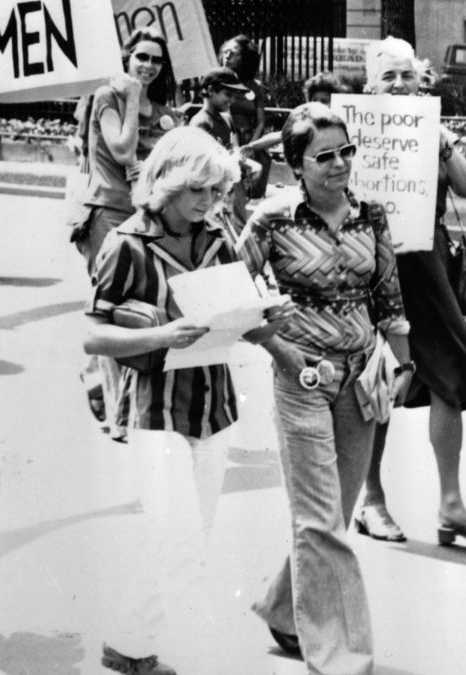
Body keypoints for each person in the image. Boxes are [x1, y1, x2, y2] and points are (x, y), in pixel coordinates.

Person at [84, 126, 286, 674]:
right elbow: (92, 334)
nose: (210, 202)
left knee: (186, 536)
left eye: (218, 192)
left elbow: (236, 316)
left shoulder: (216, 237)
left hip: (212, 406)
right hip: (155, 408)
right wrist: (159, 336)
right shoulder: (125, 244)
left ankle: (129, 645)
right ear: (169, 181)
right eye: (201, 190)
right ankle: (181, 652)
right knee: (180, 542)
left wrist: (267, 322)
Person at [239, 102, 413, 674]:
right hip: (303, 377)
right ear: (296, 165)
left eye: (346, 152)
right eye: (324, 157)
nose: (339, 166)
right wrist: (279, 347)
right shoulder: (271, 220)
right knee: (317, 519)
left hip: (362, 378)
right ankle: (340, 658)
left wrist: (404, 365)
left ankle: (283, 609)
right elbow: (235, 293)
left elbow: (388, 297)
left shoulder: (372, 215)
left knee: (330, 513)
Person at [356, 37, 466, 548]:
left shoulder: (431, 130)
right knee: (378, 377)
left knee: (451, 371)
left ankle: (450, 503)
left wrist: (443, 144)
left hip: (428, 265)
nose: (398, 84)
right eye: (388, 76)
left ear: (421, 79)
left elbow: (464, 188)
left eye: (406, 75)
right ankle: (370, 498)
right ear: (368, 85)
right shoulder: (353, 129)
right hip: (369, 265)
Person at [71, 28, 180, 442]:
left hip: (146, 218)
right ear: (126, 59)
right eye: (141, 58)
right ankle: (121, 416)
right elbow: (119, 149)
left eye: (156, 60)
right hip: (108, 216)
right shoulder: (107, 97)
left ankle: (95, 375)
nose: (149, 66)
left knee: (142, 311)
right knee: (115, 312)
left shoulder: (166, 113)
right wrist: (132, 98)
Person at [220, 35, 271, 199]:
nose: (227, 56)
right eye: (225, 51)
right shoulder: (220, 82)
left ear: (245, 58)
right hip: (227, 139)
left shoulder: (256, 87)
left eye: (233, 53)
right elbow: (226, 117)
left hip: (250, 139)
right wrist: (236, 148)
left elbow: (261, 122)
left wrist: (251, 147)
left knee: (262, 164)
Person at [188, 67, 251, 149]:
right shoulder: (201, 123)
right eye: (228, 94)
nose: (232, 100)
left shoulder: (226, 119)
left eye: (234, 96)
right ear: (211, 90)